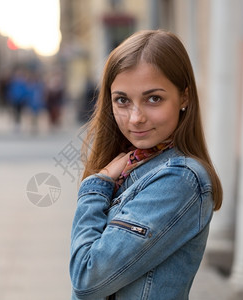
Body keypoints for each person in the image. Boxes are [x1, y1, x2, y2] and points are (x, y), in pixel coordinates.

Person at [69, 29, 223, 300]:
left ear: (184, 97)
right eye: (123, 100)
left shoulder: (180, 180)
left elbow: (87, 277)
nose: (136, 118)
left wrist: (96, 185)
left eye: (154, 98)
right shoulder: (134, 163)